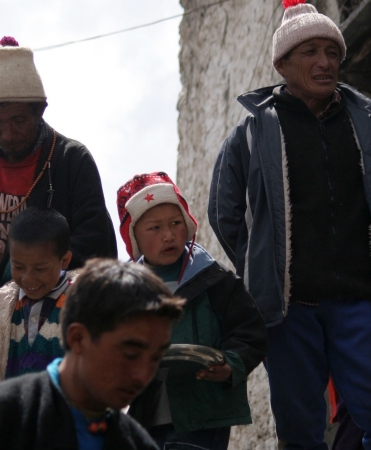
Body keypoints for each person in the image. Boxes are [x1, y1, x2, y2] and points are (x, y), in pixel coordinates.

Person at [208, 1, 371, 448]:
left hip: (360, 298)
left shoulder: (365, 120)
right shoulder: (253, 132)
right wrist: (260, 265)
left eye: (332, 52)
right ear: (282, 64)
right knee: (299, 428)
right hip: (289, 307)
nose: (325, 63)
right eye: (311, 53)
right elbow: (224, 210)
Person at [0, 36, 117, 389]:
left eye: (17, 120)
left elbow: (96, 242)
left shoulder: (70, 161)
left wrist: (32, 281)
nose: (7, 134)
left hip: (56, 330)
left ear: (39, 111)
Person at [0, 259, 184, 450]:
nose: (143, 374)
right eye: (131, 353)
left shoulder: (135, 445)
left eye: (156, 358)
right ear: (78, 338)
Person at [116, 172, 267, 449]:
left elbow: (250, 331)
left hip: (205, 416)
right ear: (134, 237)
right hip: (145, 419)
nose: (169, 235)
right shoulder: (125, 292)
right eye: (155, 228)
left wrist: (231, 365)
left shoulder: (212, 278)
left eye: (175, 223)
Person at [0, 207, 75, 383]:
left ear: (65, 260)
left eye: (40, 268)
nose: (28, 278)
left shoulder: (82, 306)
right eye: (18, 267)